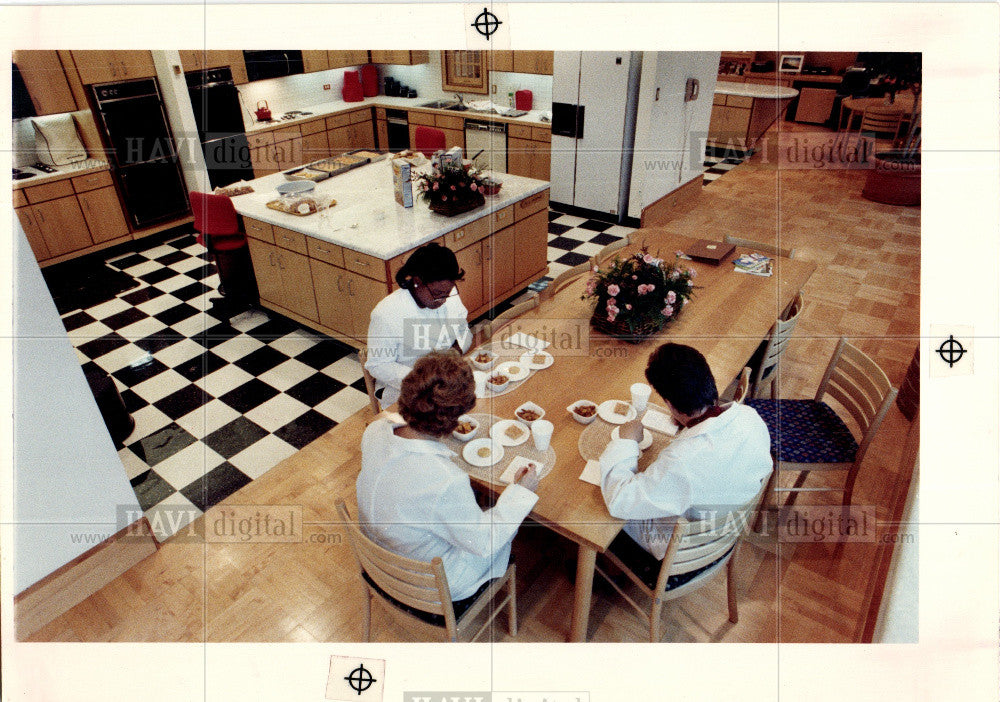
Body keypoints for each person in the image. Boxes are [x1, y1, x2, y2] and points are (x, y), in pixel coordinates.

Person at [356, 351, 539, 609]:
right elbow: (484, 541)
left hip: (378, 558)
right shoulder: (446, 481)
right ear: (452, 419)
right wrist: (521, 493)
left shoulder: (376, 430)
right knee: (504, 528)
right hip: (426, 584)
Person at [598, 343, 772, 580]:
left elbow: (621, 500)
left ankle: (601, 571)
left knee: (600, 507)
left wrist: (626, 442)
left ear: (669, 403)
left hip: (685, 549)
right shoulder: (750, 417)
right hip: (724, 527)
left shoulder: (682, 461)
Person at [365, 242, 472, 408]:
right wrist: (426, 380)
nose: (443, 301)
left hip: (446, 381)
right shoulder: (386, 313)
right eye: (437, 294)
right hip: (407, 390)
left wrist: (456, 350)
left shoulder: (447, 294)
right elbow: (378, 365)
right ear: (417, 281)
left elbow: (463, 330)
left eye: (447, 294)